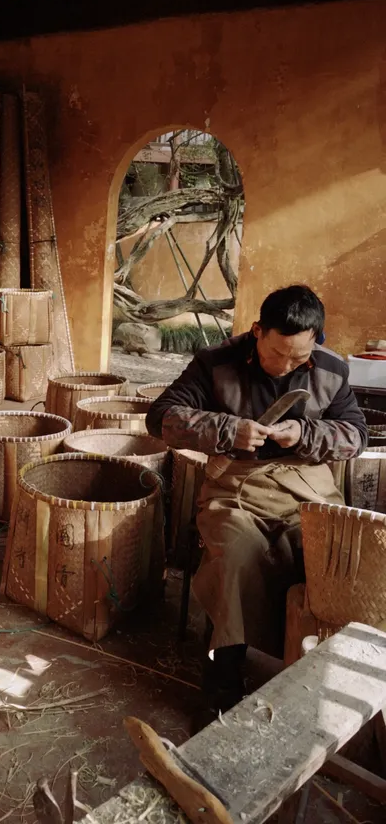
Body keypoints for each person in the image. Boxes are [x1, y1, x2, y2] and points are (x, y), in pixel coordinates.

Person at [146, 285, 367, 715]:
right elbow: (161, 417)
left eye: (298, 357)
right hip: (236, 484)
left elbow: (355, 434)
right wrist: (228, 431)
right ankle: (222, 682)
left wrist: (306, 435)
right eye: (276, 353)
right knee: (234, 555)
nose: (285, 366)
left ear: (316, 340)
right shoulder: (216, 363)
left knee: (327, 554)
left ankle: (310, 675)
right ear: (256, 331)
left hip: (308, 484)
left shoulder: (332, 370)